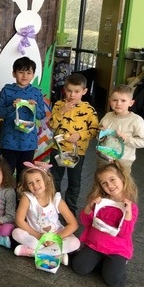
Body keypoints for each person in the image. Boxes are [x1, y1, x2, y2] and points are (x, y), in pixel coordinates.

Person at [71, 161, 138, 287]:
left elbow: (124, 233)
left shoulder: (130, 207)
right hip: (95, 245)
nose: (109, 185)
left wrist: (128, 212)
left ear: (122, 178)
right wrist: (89, 207)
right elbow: (85, 221)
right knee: (79, 267)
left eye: (112, 180)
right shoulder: (101, 202)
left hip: (117, 249)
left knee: (114, 281)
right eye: (104, 183)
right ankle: (101, 263)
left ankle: (111, 265)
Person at [49, 73, 99, 214]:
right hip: (58, 149)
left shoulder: (89, 110)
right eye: (69, 91)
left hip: (77, 152)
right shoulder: (58, 105)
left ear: (84, 91)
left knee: (74, 181)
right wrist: (62, 112)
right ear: (64, 89)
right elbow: (52, 125)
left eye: (77, 91)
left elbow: (94, 131)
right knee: (54, 180)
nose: (72, 95)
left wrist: (79, 135)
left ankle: (70, 210)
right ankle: (54, 207)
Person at [12, 163, 80, 265]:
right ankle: (56, 255)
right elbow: (19, 221)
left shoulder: (56, 200)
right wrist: (38, 236)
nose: (35, 185)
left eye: (38, 180)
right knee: (16, 233)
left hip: (55, 234)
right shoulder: (27, 198)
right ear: (26, 185)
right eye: (30, 183)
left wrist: (55, 239)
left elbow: (73, 224)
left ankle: (33, 252)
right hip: (35, 235)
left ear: (46, 181)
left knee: (75, 243)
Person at [0, 57, 46, 179]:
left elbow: (41, 115)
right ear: (14, 73)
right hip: (9, 142)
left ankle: (21, 193)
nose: (24, 76)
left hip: (28, 142)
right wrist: (12, 107)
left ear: (33, 74)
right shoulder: (7, 90)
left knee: (24, 176)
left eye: (28, 73)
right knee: (6, 174)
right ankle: (7, 192)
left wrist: (35, 108)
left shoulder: (36, 92)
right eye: (21, 72)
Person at [98, 84, 144, 171]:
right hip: (104, 157)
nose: (118, 103)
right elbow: (98, 134)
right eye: (115, 100)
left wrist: (126, 139)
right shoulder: (107, 116)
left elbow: (143, 141)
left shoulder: (136, 120)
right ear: (110, 101)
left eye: (123, 100)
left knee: (121, 179)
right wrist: (100, 133)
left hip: (123, 160)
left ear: (131, 103)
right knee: (101, 177)